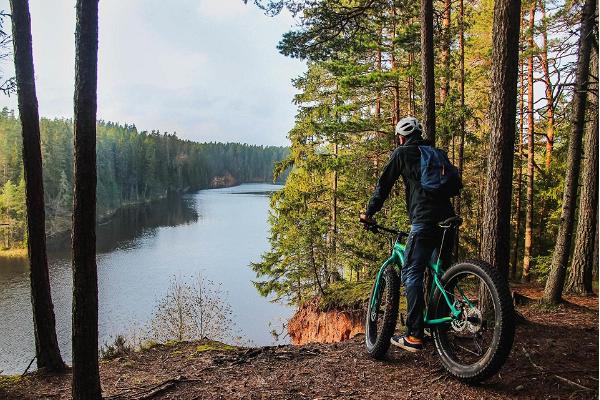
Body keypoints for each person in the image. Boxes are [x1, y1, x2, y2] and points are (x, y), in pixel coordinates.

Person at [360, 116, 455, 352]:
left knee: (412, 272)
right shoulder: (435, 153)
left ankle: (414, 335)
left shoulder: (402, 153)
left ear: (401, 137)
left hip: (423, 221)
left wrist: (369, 212)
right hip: (448, 220)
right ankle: (442, 327)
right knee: (441, 274)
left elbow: (384, 185)